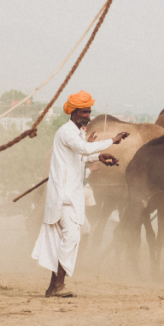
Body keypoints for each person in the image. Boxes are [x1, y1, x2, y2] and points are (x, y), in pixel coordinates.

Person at [32, 90, 125, 297]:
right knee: (70, 238)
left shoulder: (76, 133)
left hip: (68, 196)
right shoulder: (67, 132)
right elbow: (82, 149)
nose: (88, 116)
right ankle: (58, 286)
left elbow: (80, 157)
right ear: (73, 113)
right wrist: (112, 141)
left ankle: (53, 287)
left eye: (89, 112)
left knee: (63, 240)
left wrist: (99, 156)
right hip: (64, 197)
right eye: (84, 112)